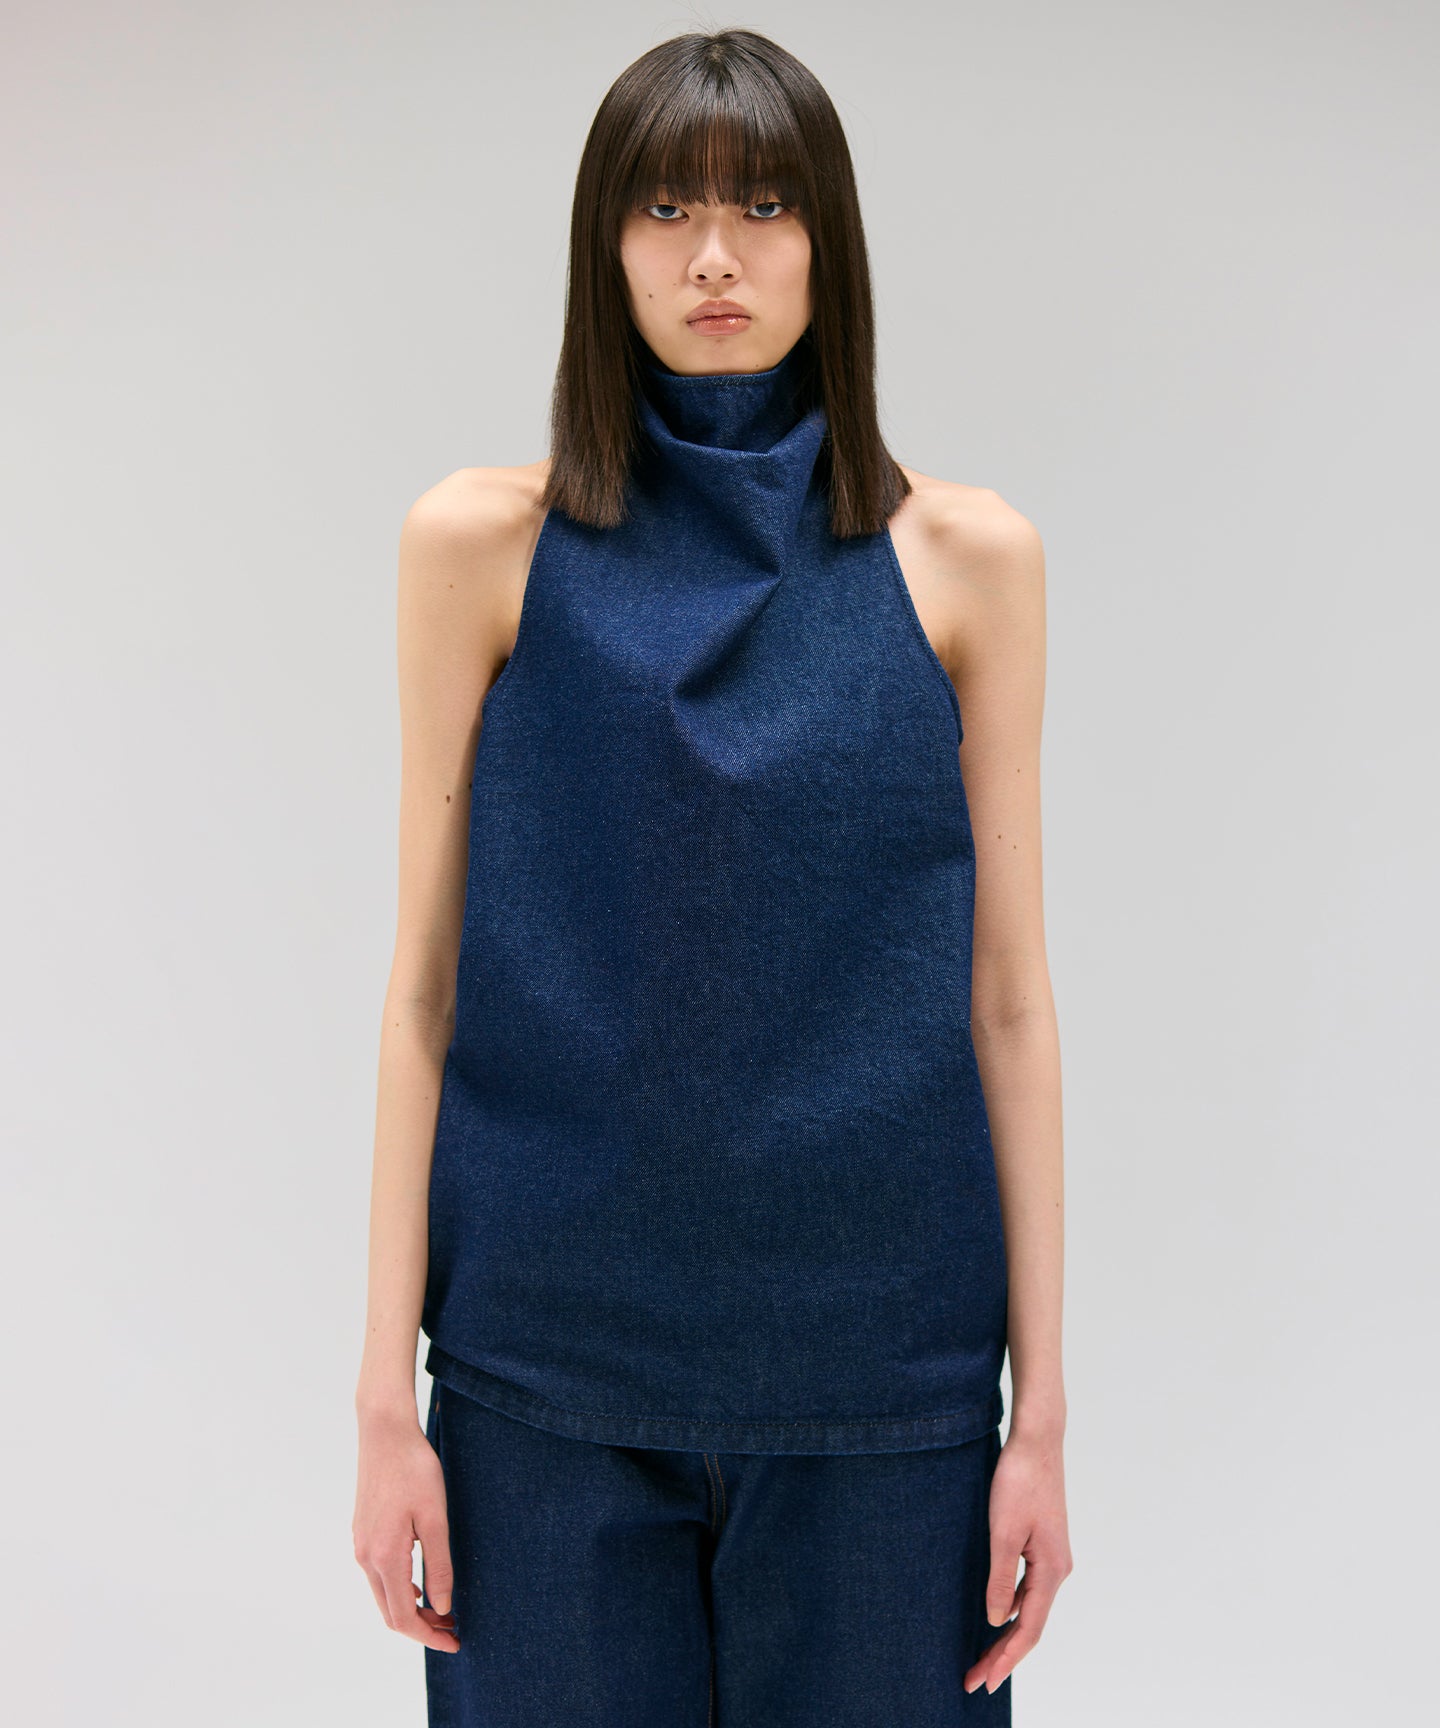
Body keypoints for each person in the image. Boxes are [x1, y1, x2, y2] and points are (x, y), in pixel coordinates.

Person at [353, 26, 1071, 1726]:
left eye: (765, 206)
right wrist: (387, 1400)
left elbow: (1008, 1002)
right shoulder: (481, 548)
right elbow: (427, 990)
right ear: (604, 246)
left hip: (884, 1387)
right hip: (544, 1380)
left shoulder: (966, 562)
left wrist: (1038, 1417)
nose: (715, 257)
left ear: (832, 240)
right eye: (665, 207)